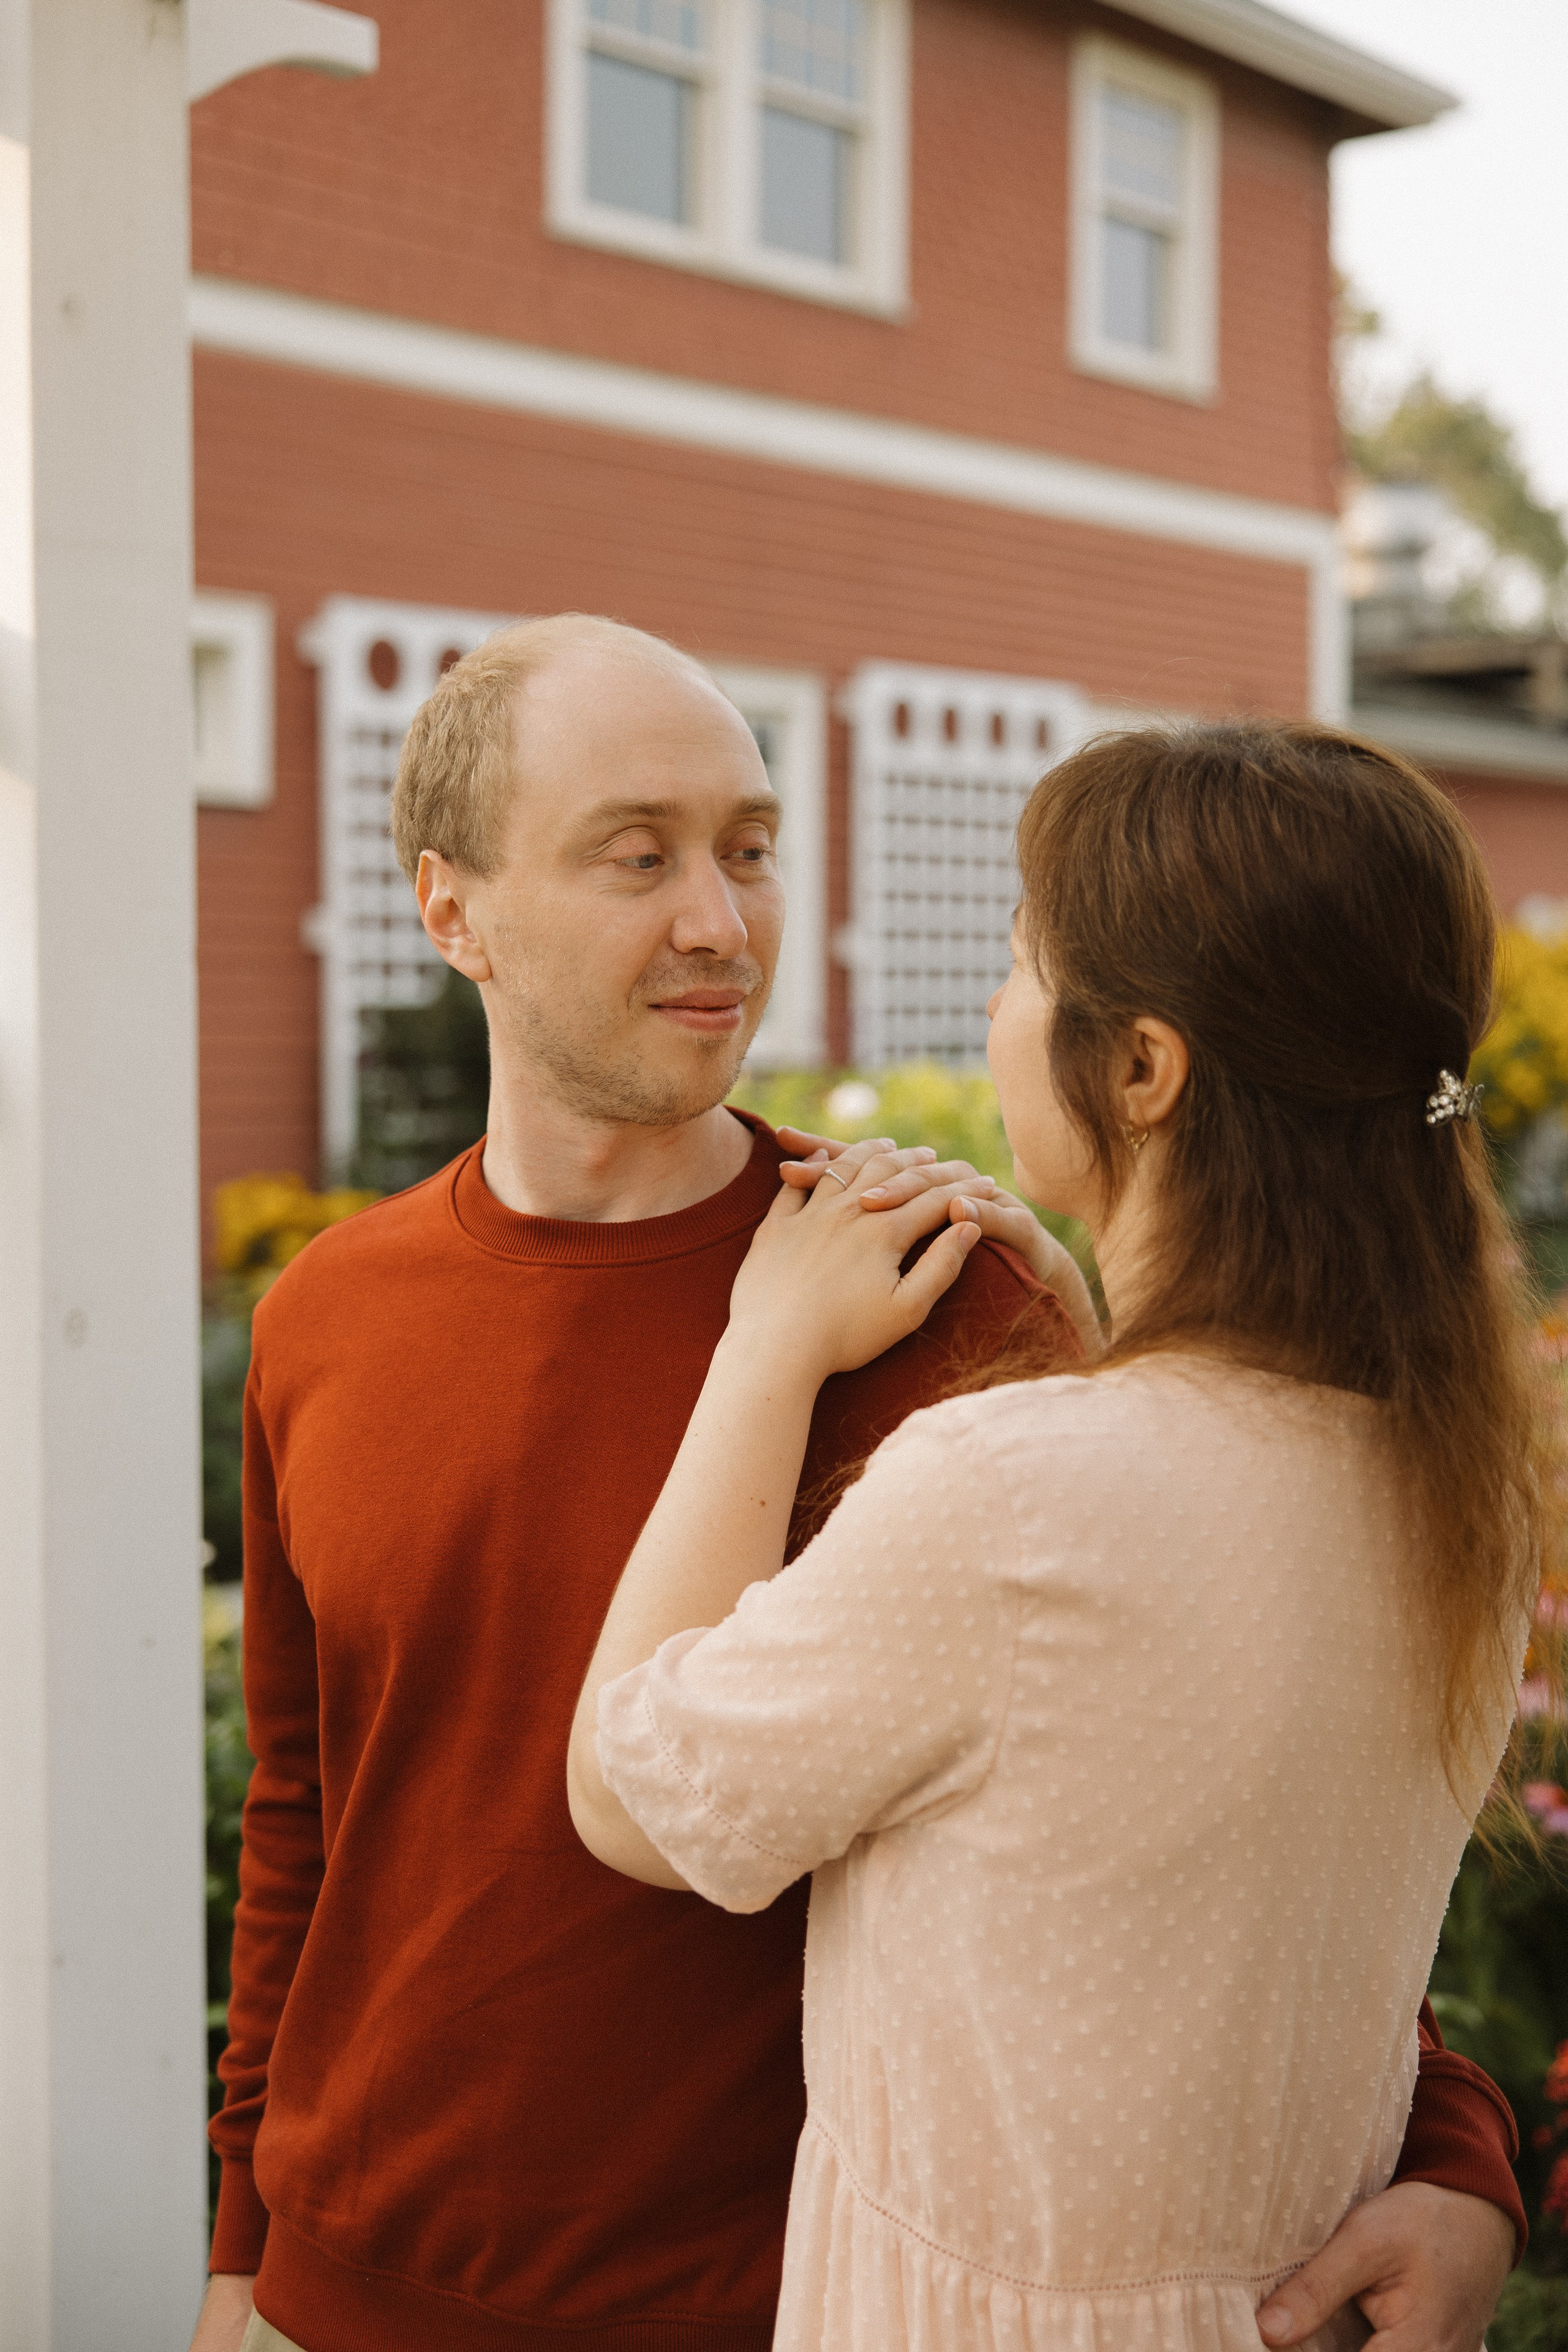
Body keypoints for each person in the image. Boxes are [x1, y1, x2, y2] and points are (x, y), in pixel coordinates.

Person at [195, 630, 1523, 2352]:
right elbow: (305, 1816)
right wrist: (242, 2250)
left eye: (748, 847)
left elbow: (1230, 1797)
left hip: (787, 2307)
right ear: (452, 912)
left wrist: (1458, 2152)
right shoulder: (324, 1315)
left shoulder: (959, 1307)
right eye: (637, 853)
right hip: (344, 2296)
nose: (720, 923)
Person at [569, 720, 1550, 2351]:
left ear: (1145, 1068)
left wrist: (764, 1349)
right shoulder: (1447, 1482)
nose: (995, 1011)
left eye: (1025, 965)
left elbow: (638, 1794)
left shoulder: (1016, 1496)